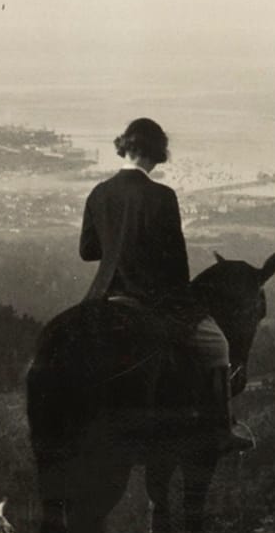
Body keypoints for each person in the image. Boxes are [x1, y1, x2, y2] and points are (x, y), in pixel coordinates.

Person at [79, 117, 253, 452]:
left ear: (124, 148)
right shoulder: (162, 195)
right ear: (156, 154)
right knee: (218, 345)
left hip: (102, 297)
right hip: (149, 298)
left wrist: (118, 244)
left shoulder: (98, 193)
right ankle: (220, 431)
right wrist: (186, 301)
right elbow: (176, 261)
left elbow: (88, 251)